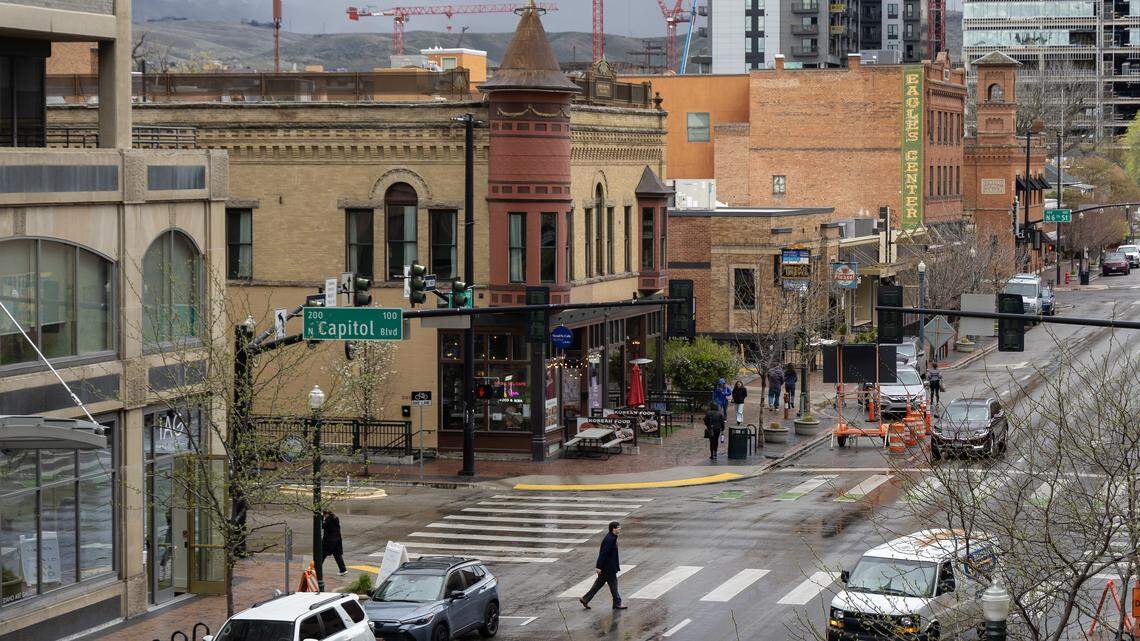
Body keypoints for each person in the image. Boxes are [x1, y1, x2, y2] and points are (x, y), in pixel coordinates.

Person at [580, 522, 627, 610]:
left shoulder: (612, 537)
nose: (620, 529)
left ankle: (585, 599)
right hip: (608, 568)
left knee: (598, 585)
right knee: (613, 586)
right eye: (618, 527)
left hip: (607, 567)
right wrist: (598, 566)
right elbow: (603, 554)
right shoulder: (610, 539)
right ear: (613, 529)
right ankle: (617, 603)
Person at [320, 509, 347, 576]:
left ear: (326, 514)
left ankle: (316, 568)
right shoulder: (335, 518)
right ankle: (343, 570)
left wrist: (321, 518)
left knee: (322, 554)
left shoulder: (328, 520)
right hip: (337, 540)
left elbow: (323, 526)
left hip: (329, 541)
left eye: (324, 515)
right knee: (337, 555)